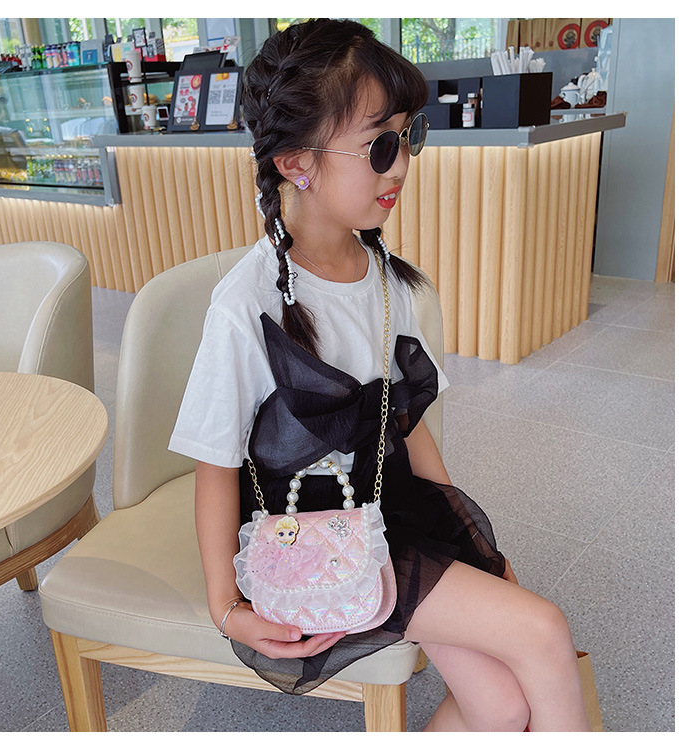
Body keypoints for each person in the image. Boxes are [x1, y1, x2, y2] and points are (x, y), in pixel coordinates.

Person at [169, 18, 590, 732]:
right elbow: (216, 464)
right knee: (544, 631)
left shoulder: (390, 281)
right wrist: (225, 606)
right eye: (380, 146)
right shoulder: (246, 304)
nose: (400, 167)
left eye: (408, 137)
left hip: (397, 510)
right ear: (297, 163)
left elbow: (407, 425)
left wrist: (475, 548)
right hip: (319, 534)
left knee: (500, 704)